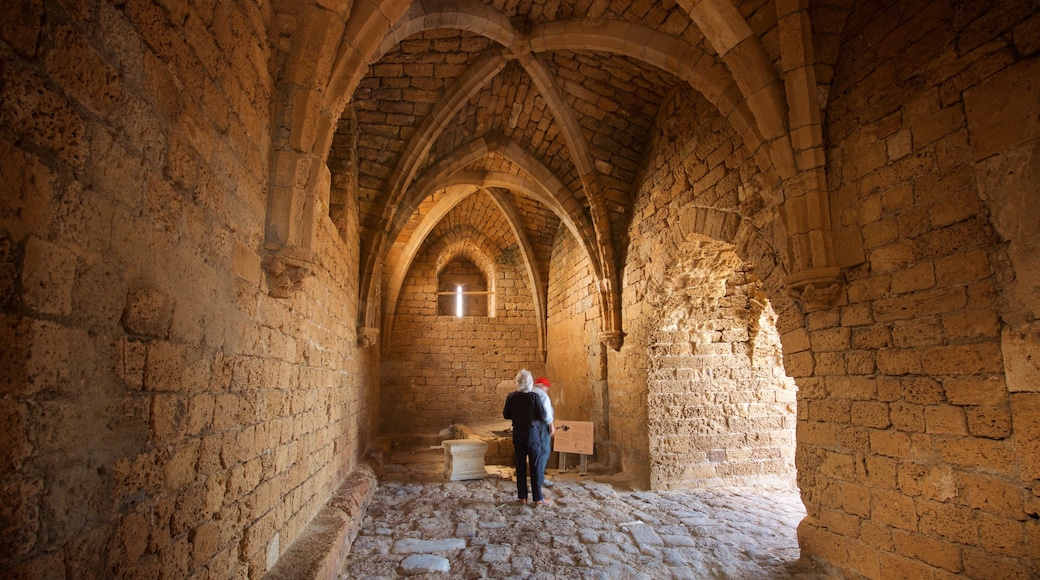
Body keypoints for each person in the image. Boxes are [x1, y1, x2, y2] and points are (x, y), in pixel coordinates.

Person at [503, 369, 546, 505]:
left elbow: (506, 415)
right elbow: (543, 416)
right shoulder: (534, 397)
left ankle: (522, 497)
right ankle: (538, 498)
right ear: (530, 382)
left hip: (517, 432)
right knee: (535, 464)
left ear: (517, 382)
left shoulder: (511, 397)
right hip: (532, 433)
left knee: (520, 465)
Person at [533, 376, 555, 488]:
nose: (547, 389)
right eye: (546, 386)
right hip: (542, 425)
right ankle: (539, 478)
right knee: (544, 450)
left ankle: (535, 475)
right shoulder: (542, 396)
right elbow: (546, 413)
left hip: (532, 425)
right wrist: (551, 425)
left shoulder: (530, 394)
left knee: (535, 450)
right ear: (541, 385)